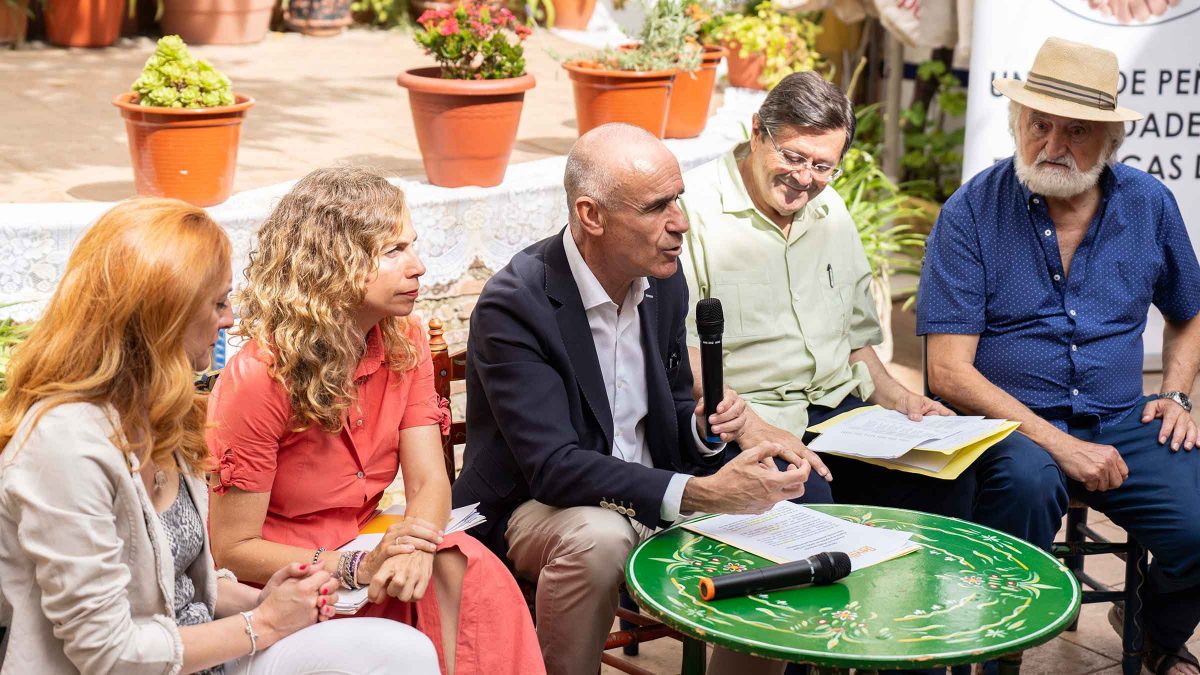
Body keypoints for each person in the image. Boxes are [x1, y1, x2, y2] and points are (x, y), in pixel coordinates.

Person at [0, 198, 438, 675]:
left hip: (208, 656)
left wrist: (268, 598)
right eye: (217, 303)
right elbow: (107, 651)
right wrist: (263, 624)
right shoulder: (64, 447)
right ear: (161, 316)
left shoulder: (163, 411)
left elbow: (185, 586)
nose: (230, 319)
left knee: (405, 646)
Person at [454, 123, 816, 675]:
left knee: (779, 520)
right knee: (600, 537)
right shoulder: (517, 303)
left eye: (679, 199)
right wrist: (701, 494)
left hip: (649, 495)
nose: (681, 223)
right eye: (656, 207)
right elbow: (554, 468)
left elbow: (667, 409)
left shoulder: (663, 282)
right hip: (534, 508)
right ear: (591, 215)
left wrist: (702, 429)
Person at [918, 37, 1200, 675]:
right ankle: (995, 656)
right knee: (1025, 480)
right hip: (1007, 422)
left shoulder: (1148, 205)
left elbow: (1190, 311)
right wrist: (1061, 445)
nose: (1050, 145)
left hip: (1122, 415)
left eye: (1075, 131)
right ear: (1017, 121)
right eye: (1038, 124)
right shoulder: (971, 213)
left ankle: (1151, 625)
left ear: (1110, 140)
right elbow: (947, 372)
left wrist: (1178, 395)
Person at [205, 167, 544, 675]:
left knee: (474, 570)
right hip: (286, 578)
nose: (420, 267)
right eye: (394, 252)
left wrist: (416, 546)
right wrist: (351, 565)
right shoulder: (259, 377)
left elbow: (430, 480)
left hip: (370, 541)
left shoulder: (404, 337)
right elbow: (231, 547)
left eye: (413, 246)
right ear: (330, 264)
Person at [677, 71, 1020, 523]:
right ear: (758, 131)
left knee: (945, 489)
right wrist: (755, 430)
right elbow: (680, 354)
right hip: (746, 418)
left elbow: (856, 342)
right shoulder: (692, 210)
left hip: (839, 415)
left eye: (823, 167)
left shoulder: (830, 209)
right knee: (807, 507)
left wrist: (901, 398)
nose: (805, 179)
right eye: (793, 157)